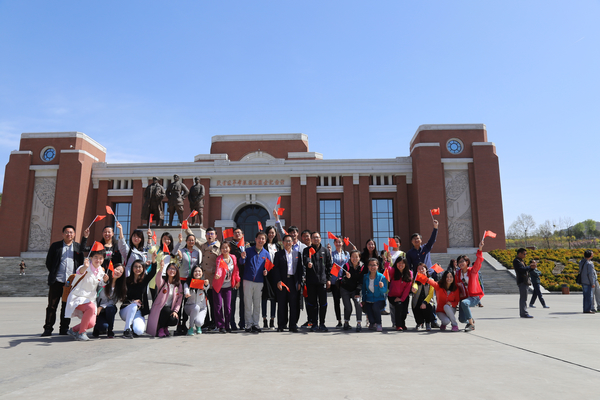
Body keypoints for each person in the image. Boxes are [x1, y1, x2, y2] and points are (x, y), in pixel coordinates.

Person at [42, 225, 89, 337]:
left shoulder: (77, 247)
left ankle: (64, 329)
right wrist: (54, 273)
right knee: (52, 306)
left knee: (66, 306)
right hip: (57, 281)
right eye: (67, 232)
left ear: (74, 234)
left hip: (70, 283)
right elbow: (49, 262)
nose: (69, 234)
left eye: (71, 232)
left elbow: (80, 263)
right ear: (63, 234)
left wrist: (85, 237)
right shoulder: (56, 246)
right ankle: (48, 329)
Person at [65, 248, 108, 341]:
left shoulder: (101, 271)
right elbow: (80, 272)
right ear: (91, 258)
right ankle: (81, 333)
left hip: (90, 299)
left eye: (101, 258)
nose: (98, 260)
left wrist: (104, 281)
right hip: (78, 296)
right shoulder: (85, 267)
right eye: (96, 257)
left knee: (91, 323)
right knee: (91, 308)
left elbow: (99, 284)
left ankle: (73, 330)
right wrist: (85, 266)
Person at [272, 234, 304, 332]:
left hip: (293, 281)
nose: (288, 243)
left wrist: (299, 282)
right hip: (283, 281)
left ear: (292, 242)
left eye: (290, 241)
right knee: (282, 304)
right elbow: (276, 269)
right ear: (283, 242)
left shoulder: (297, 254)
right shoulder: (278, 254)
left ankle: (293, 325)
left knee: (294, 304)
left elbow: (300, 269)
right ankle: (281, 325)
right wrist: (278, 281)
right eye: (286, 241)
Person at [240, 231, 269, 333]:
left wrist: (266, 271)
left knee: (257, 304)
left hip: (259, 281)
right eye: (259, 238)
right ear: (255, 239)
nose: (261, 240)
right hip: (247, 280)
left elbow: (268, 267)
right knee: (247, 303)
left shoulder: (266, 253)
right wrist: (242, 257)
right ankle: (248, 324)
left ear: (265, 241)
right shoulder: (248, 250)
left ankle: (256, 324)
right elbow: (241, 262)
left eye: (263, 239)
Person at [303, 232, 333, 332]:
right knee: (312, 303)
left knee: (323, 303)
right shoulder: (307, 250)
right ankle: (314, 323)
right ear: (311, 239)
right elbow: (305, 259)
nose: (316, 239)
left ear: (320, 238)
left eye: (317, 237)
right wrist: (308, 263)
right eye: (314, 237)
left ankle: (322, 323)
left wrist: (328, 279)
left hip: (322, 281)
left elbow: (329, 266)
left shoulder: (325, 251)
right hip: (311, 281)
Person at [146, 259, 183, 337]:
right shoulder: (163, 282)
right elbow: (158, 279)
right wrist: (161, 268)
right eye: (170, 268)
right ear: (166, 270)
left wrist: (175, 311)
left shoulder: (178, 285)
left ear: (177, 271)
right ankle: (161, 329)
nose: (172, 270)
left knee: (174, 320)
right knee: (166, 310)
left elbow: (179, 300)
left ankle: (165, 327)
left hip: (170, 309)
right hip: (160, 308)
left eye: (174, 269)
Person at [120, 259, 156, 338]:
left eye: (140, 267)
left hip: (138, 311)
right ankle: (127, 329)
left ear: (143, 268)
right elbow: (122, 297)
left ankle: (132, 325)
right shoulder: (127, 281)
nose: (137, 269)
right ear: (132, 268)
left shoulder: (144, 280)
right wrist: (132, 301)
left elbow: (153, 272)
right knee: (134, 306)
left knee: (139, 331)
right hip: (126, 310)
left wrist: (154, 261)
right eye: (135, 267)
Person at [456, 240, 486, 330]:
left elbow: (479, 261)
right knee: (461, 319)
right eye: (459, 262)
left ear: (467, 262)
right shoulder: (458, 273)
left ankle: (471, 325)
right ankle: (470, 320)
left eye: (462, 261)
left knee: (464, 303)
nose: (460, 263)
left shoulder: (473, 271)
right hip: (464, 297)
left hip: (474, 297)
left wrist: (480, 249)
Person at [213, 242, 240, 333]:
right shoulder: (219, 258)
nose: (225, 249)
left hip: (228, 286)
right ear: (220, 250)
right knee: (218, 306)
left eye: (226, 247)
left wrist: (238, 280)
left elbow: (236, 270)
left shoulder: (233, 257)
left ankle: (227, 325)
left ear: (229, 248)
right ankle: (221, 326)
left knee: (228, 307)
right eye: (223, 248)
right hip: (218, 286)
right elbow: (219, 268)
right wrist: (218, 274)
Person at [94, 263, 127, 338]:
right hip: (98, 309)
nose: (118, 272)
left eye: (121, 272)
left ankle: (110, 330)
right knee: (102, 326)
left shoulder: (120, 286)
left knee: (111, 308)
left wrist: (102, 307)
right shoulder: (103, 279)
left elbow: (113, 301)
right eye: (117, 269)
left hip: (108, 309)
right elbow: (98, 288)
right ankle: (97, 327)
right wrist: (104, 281)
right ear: (112, 269)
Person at [340, 250, 364, 331]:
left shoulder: (362, 266)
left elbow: (361, 281)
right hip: (345, 289)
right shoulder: (346, 266)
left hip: (356, 289)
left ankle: (359, 323)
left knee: (358, 304)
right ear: (350, 257)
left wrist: (358, 292)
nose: (354, 259)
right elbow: (342, 280)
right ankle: (346, 322)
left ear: (359, 258)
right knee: (348, 307)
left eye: (356, 257)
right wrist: (346, 277)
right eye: (353, 256)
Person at [386, 257, 412, 331]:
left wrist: (402, 298)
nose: (401, 265)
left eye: (403, 263)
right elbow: (386, 268)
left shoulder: (409, 273)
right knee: (399, 306)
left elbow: (407, 288)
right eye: (399, 263)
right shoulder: (393, 271)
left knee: (404, 311)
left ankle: (402, 324)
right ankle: (398, 325)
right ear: (396, 263)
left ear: (405, 264)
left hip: (404, 296)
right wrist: (388, 260)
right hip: (393, 296)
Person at [362, 258, 388, 332]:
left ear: (377, 266)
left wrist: (381, 287)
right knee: (369, 310)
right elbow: (364, 290)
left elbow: (385, 290)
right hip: (369, 299)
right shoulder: (365, 277)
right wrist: (363, 300)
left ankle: (379, 323)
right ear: (368, 266)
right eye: (370, 265)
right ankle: (372, 323)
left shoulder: (381, 277)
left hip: (379, 300)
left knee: (375, 306)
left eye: (374, 265)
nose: (372, 267)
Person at [262, 226, 280, 329]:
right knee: (264, 297)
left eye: (273, 232)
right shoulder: (263, 245)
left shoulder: (277, 245)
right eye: (269, 232)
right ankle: (264, 320)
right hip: (265, 273)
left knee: (274, 297)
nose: (271, 234)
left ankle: (272, 320)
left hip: (274, 273)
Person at [328, 237, 348, 328]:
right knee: (336, 301)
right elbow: (330, 264)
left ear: (342, 243)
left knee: (345, 301)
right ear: (334, 243)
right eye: (336, 242)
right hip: (334, 281)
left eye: (340, 242)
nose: (338, 244)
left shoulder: (346, 254)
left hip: (344, 281)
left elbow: (348, 265)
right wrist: (329, 253)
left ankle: (346, 320)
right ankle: (339, 320)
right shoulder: (332, 253)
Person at [184, 265, 210, 335]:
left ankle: (198, 326)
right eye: (195, 271)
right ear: (192, 273)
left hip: (202, 308)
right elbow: (186, 289)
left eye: (199, 271)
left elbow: (206, 287)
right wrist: (187, 293)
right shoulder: (187, 283)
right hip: (190, 307)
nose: (197, 273)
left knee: (199, 322)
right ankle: (191, 327)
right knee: (196, 307)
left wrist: (206, 284)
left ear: (202, 273)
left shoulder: (204, 282)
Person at [228, 227, 245, 330]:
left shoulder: (246, 245)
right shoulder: (230, 246)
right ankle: (232, 322)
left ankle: (242, 322)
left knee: (243, 300)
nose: (237, 234)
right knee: (232, 300)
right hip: (233, 275)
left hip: (244, 275)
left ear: (242, 234)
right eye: (235, 233)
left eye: (239, 232)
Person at [411, 263, 435, 331]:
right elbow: (415, 286)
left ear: (426, 269)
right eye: (419, 269)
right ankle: (419, 323)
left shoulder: (431, 280)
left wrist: (425, 302)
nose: (421, 270)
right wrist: (414, 289)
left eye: (422, 268)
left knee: (427, 306)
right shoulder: (415, 279)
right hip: (417, 299)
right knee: (416, 305)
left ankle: (428, 323)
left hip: (427, 300)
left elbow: (431, 294)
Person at [513, 248, 533, 319]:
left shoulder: (521, 261)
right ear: (520, 253)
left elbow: (526, 270)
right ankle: (524, 313)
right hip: (522, 281)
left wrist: (531, 268)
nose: (525, 255)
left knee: (524, 298)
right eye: (524, 254)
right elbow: (521, 270)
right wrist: (529, 267)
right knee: (523, 298)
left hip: (525, 281)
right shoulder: (516, 261)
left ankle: (524, 312)